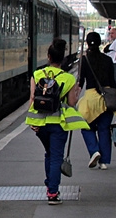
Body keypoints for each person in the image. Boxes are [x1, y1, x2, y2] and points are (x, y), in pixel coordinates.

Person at [27, 38, 88, 205]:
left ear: (48, 56)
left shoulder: (37, 75)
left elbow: (33, 99)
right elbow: (72, 103)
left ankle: (50, 184)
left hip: (40, 124)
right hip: (59, 124)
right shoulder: (68, 78)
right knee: (56, 157)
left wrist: (33, 120)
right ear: (63, 58)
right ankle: (52, 192)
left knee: (49, 153)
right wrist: (76, 90)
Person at [76, 32, 116, 170]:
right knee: (104, 130)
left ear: (87, 43)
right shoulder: (108, 60)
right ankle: (104, 162)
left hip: (90, 99)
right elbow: (113, 82)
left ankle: (94, 151)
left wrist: (74, 98)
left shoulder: (84, 60)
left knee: (86, 127)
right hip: (106, 100)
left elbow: (80, 82)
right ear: (100, 43)